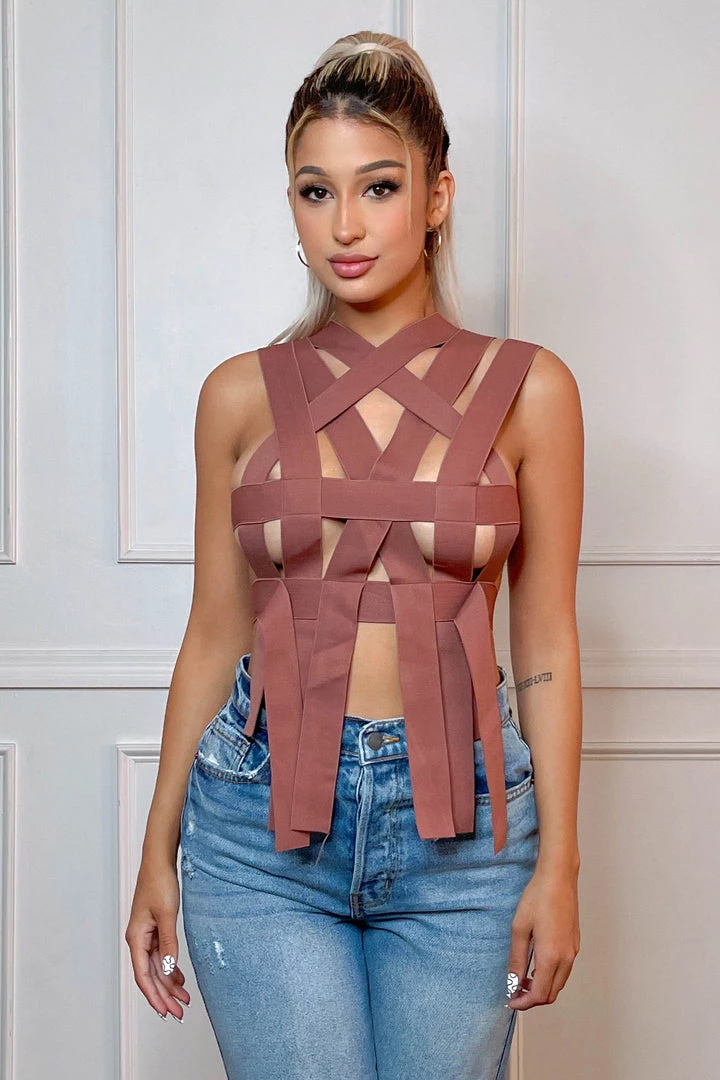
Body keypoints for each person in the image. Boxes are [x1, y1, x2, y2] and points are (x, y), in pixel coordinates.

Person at [125, 28, 584, 1080]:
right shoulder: (237, 396)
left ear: (436, 196)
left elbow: (548, 643)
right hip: (257, 828)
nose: (345, 225)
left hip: (467, 840)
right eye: (315, 191)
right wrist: (156, 847)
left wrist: (561, 862)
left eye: (379, 187)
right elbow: (213, 634)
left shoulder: (534, 391)